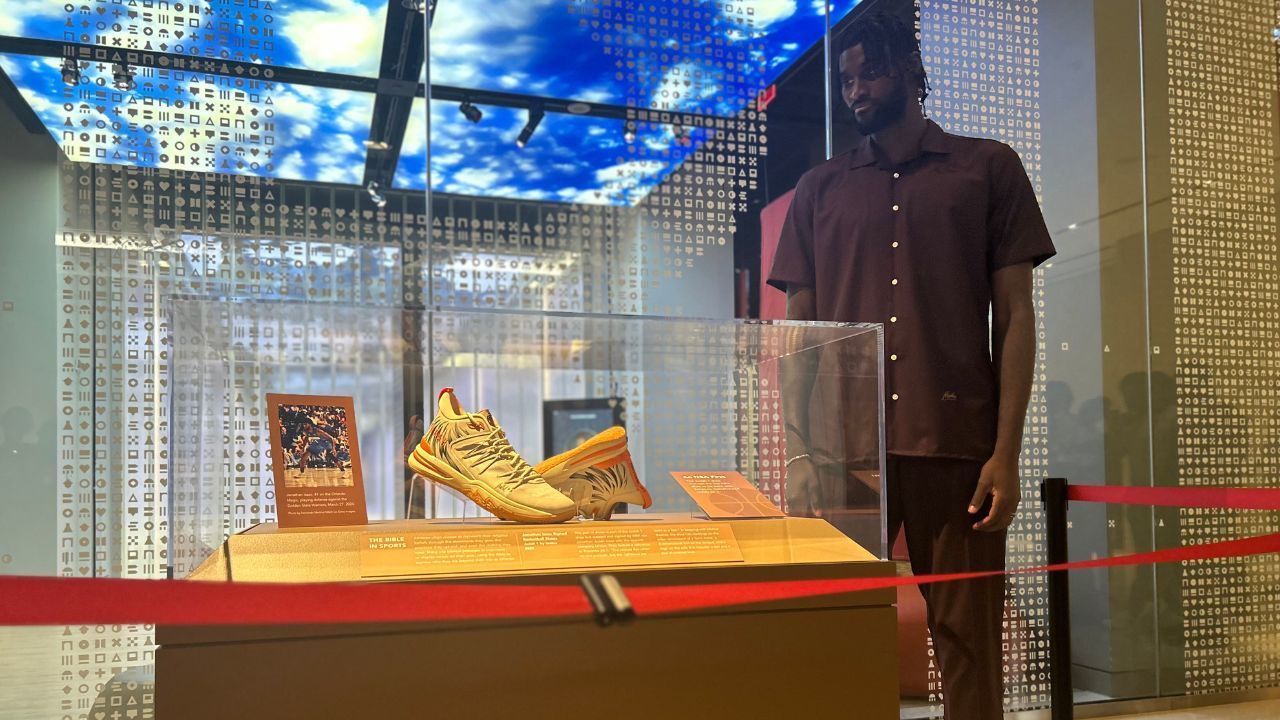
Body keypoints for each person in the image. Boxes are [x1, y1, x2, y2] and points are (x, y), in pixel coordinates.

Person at [767, 13, 1056, 719]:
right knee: (836, 639)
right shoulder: (819, 189)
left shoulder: (987, 168)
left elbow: (1015, 317)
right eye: (846, 80)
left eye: (870, 72)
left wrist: (1006, 454)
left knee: (969, 640)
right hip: (844, 454)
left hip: (956, 446)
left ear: (909, 70)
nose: (857, 91)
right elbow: (798, 335)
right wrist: (800, 450)